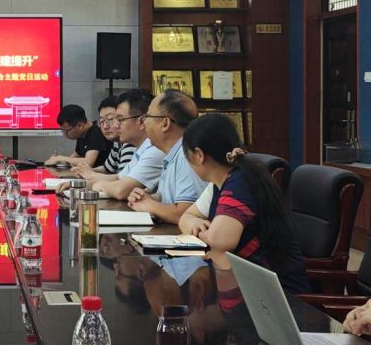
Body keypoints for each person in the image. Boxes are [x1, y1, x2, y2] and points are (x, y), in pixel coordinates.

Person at [178, 113, 310, 294]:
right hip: (247, 284)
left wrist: (200, 234)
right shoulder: (219, 182)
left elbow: (220, 241)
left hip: (277, 295)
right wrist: (195, 224)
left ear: (199, 155)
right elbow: (186, 216)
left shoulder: (240, 183)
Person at [65, 90, 164, 200]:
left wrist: (97, 184)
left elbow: (121, 190)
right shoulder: (141, 148)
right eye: (102, 121)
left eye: (120, 119)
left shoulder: (154, 150)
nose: (116, 125)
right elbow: (118, 177)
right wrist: (79, 184)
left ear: (141, 121)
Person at [127, 90, 207, 224]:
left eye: (147, 116)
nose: (144, 122)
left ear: (165, 123)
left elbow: (185, 213)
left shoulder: (187, 156)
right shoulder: (172, 154)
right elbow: (165, 198)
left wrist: (149, 205)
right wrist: (146, 198)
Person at [45, 104, 110, 168]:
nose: (64, 134)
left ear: (79, 125)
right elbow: (74, 157)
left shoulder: (96, 132)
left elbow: (88, 162)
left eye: (66, 131)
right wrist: (57, 161)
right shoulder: (82, 134)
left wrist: (61, 158)